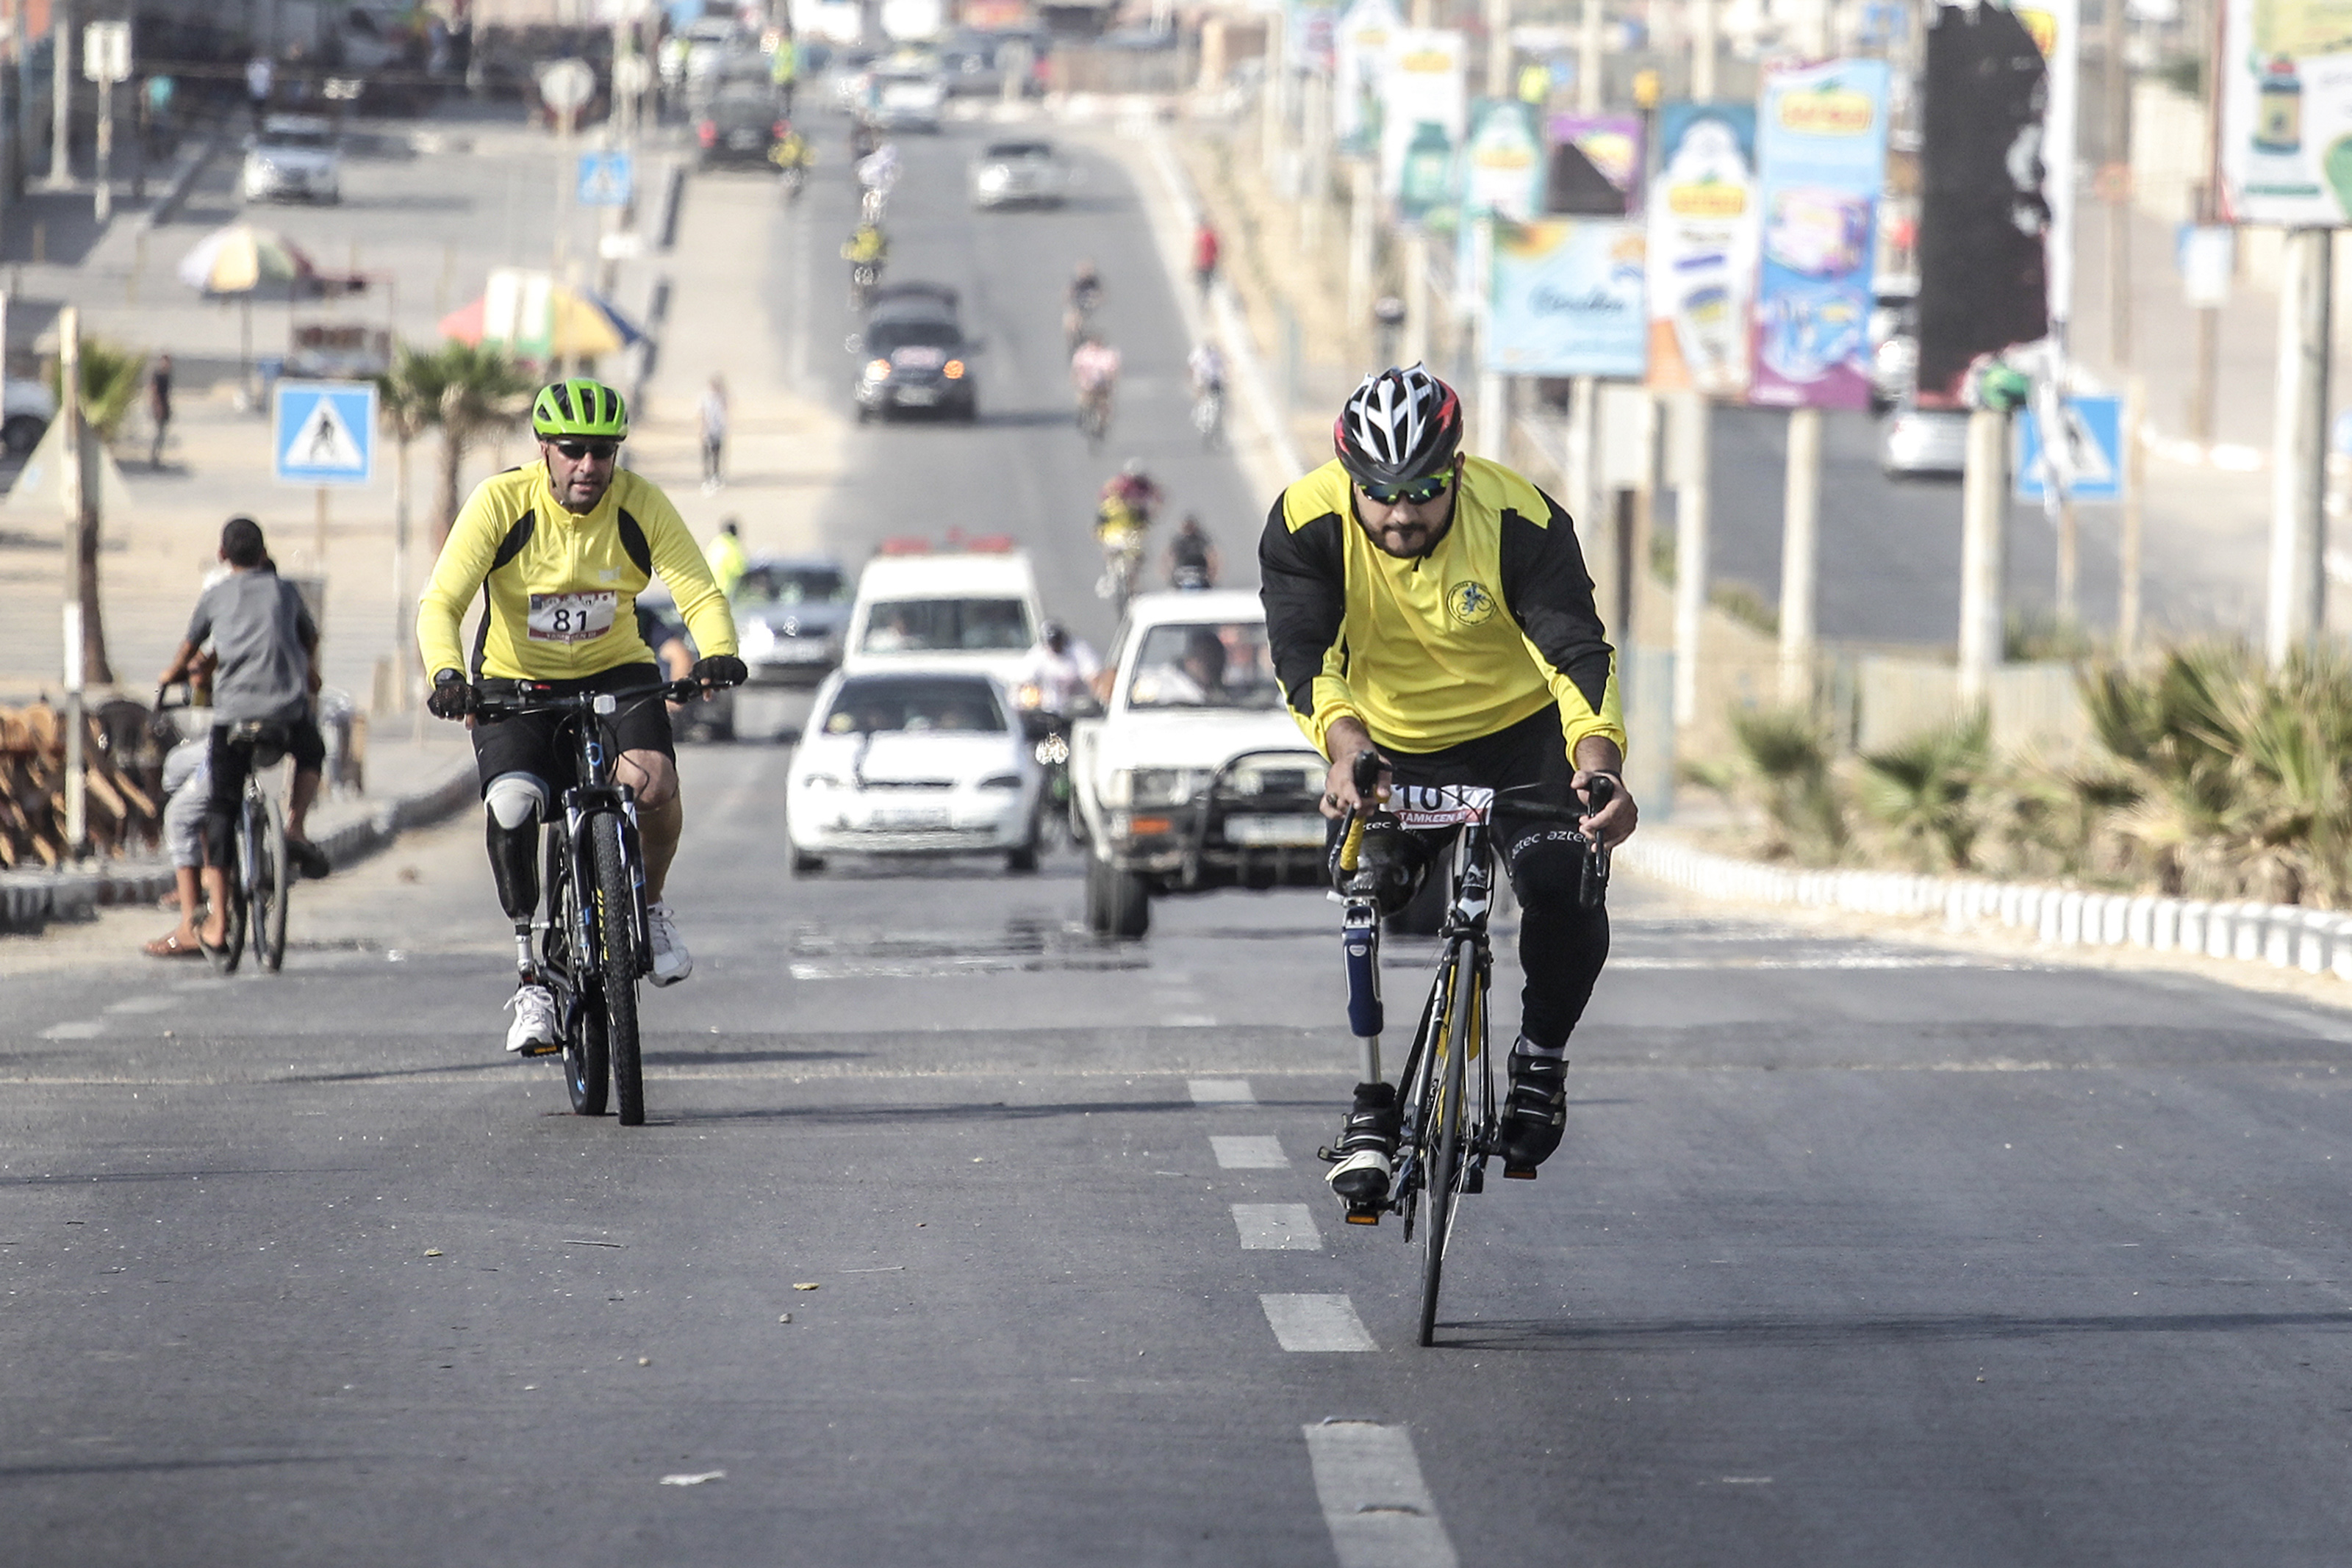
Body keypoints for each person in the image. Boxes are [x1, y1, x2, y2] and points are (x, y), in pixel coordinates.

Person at [1259, 363, 1637, 1209]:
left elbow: (1575, 652)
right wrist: (1345, 749)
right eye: (1380, 492)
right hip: (1388, 743)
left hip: (1521, 739)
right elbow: (1302, 659)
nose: (1401, 512)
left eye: (1424, 490)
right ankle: (1370, 1105)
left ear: (1456, 470)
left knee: (1562, 883)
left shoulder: (1518, 518)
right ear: (1348, 479)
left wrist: (1598, 763)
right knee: (1366, 888)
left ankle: (1539, 1058)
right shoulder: (1304, 522)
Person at [415, 378, 745, 1054]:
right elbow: (441, 602)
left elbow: (698, 589)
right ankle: (530, 973)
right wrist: (448, 675)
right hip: (514, 681)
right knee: (512, 806)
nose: (588, 466)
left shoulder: (640, 504)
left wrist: (718, 654)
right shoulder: (501, 504)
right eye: (573, 451)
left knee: (653, 783)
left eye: (603, 452)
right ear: (545, 450)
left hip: (616, 671)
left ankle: (647, 909)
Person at [157, 517, 333, 953]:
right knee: (312, 750)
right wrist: (308, 674)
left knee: (219, 809)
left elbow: (188, 649)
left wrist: (169, 677)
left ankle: (215, 924)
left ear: (222, 556)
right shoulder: (285, 592)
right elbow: (309, 638)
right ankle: (294, 827)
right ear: (263, 554)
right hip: (286, 714)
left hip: (233, 718)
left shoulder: (215, 595)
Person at [143, 713, 211, 959]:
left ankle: (190, 925)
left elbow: (198, 676)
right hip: (287, 733)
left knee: (179, 814)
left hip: (232, 740)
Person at [1013, 620, 1100, 717]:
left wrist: (1095, 701)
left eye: (1057, 642)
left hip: (1078, 710)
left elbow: (1094, 677)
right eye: (1051, 644)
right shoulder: (1037, 655)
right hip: (1049, 711)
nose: (1055, 647)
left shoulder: (1078, 650)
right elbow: (1023, 682)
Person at [1069, 334, 1119, 428]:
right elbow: (1076, 369)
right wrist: (1076, 381)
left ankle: (1102, 424)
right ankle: (1084, 416)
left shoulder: (1107, 355)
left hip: (1103, 385)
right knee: (1084, 401)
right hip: (1087, 386)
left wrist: (1111, 383)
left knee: (1104, 405)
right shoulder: (1083, 354)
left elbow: (1113, 371)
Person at [1166, 514, 1219, 589]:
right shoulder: (1178, 541)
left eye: (1190, 526)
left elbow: (1212, 555)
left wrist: (1213, 574)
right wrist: (1169, 576)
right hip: (1182, 572)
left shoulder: (1201, 539)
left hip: (1200, 571)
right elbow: (1169, 557)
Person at [698, 375, 728, 493]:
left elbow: (725, 411)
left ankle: (716, 475)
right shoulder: (705, 398)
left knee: (717, 454)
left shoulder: (721, 398)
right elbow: (701, 413)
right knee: (706, 454)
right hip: (707, 430)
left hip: (718, 430)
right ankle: (707, 476)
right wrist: (701, 428)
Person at [704, 519, 747, 599]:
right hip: (725, 588)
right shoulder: (732, 547)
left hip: (710, 586)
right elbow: (738, 570)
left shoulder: (716, 543)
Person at [147, 353, 173, 469]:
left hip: (165, 406)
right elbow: (154, 391)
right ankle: (154, 459)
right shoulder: (158, 375)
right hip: (159, 407)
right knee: (159, 434)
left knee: (162, 434)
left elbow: (167, 394)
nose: (166, 364)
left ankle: (157, 458)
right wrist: (158, 407)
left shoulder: (168, 375)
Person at [1191, 220, 1221, 304]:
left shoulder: (1201, 236)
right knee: (1207, 283)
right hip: (1210, 264)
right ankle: (1205, 298)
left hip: (1202, 263)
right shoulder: (1213, 237)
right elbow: (1217, 250)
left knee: (1200, 281)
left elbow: (1197, 250)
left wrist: (1193, 263)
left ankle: (1201, 297)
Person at [770, 29, 798, 115]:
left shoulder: (782, 48)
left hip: (782, 78)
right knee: (786, 100)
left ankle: (781, 115)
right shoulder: (790, 48)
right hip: (787, 77)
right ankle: (785, 115)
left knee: (780, 99)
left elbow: (774, 62)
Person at [245, 54, 274, 126]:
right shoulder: (253, 66)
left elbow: (270, 78)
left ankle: (262, 122)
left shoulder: (266, 65)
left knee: (261, 108)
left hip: (263, 92)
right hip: (256, 92)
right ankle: (258, 122)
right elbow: (250, 78)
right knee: (256, 109)